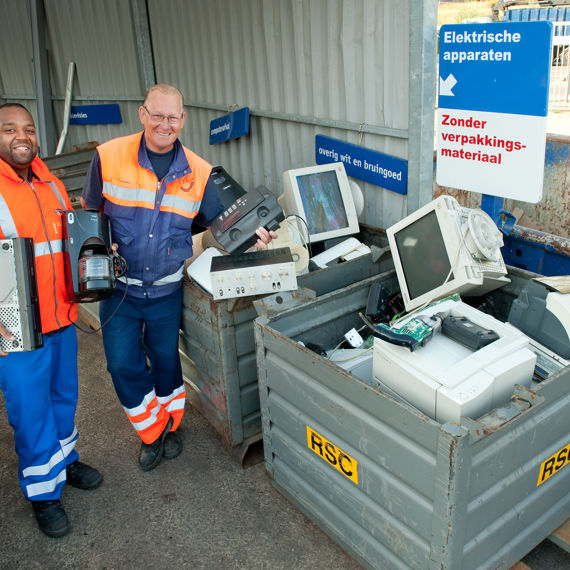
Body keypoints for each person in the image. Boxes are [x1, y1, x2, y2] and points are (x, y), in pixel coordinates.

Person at [81, 84, 275, 472]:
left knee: (167, 362)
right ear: (143, 114)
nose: (164, 124)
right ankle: (151, 433)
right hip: (119, 289)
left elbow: (220, 228)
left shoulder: (200, 173)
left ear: (183, 120)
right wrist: (100, 245)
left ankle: (171, 424)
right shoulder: (108, 157)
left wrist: (253, 238)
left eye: (173, 117)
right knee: (121, 364)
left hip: (167, 289)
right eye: (157, 115)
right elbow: (90, 213)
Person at [0, 103, 102, 538]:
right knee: (30, 410)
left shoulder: (52, 183)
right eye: (8, 129)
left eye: (27, 128)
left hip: (60, 315)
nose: (21, 136)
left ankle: (65, 462)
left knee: (63, 397)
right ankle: (44, 493)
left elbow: (67, 243)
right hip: (14, 326)